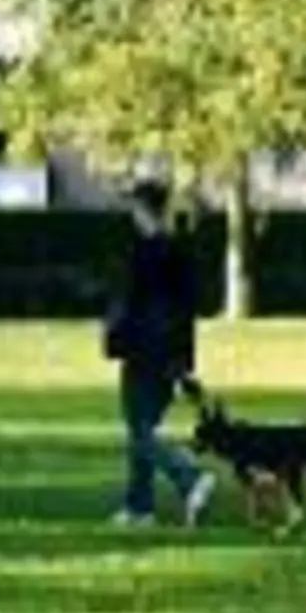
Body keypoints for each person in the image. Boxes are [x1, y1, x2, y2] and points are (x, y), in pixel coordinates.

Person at [104, 179, 216, 527]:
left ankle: (189, 477)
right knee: (143, 428)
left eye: (134, 207)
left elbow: (130, 306)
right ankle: (140, 507)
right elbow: (188, 309)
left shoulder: (145, 254)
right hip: (168, 353)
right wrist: (183, 362)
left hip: (144, 352)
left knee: (140, 431)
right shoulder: (178, 251)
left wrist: (116, 337)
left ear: (142, 208)